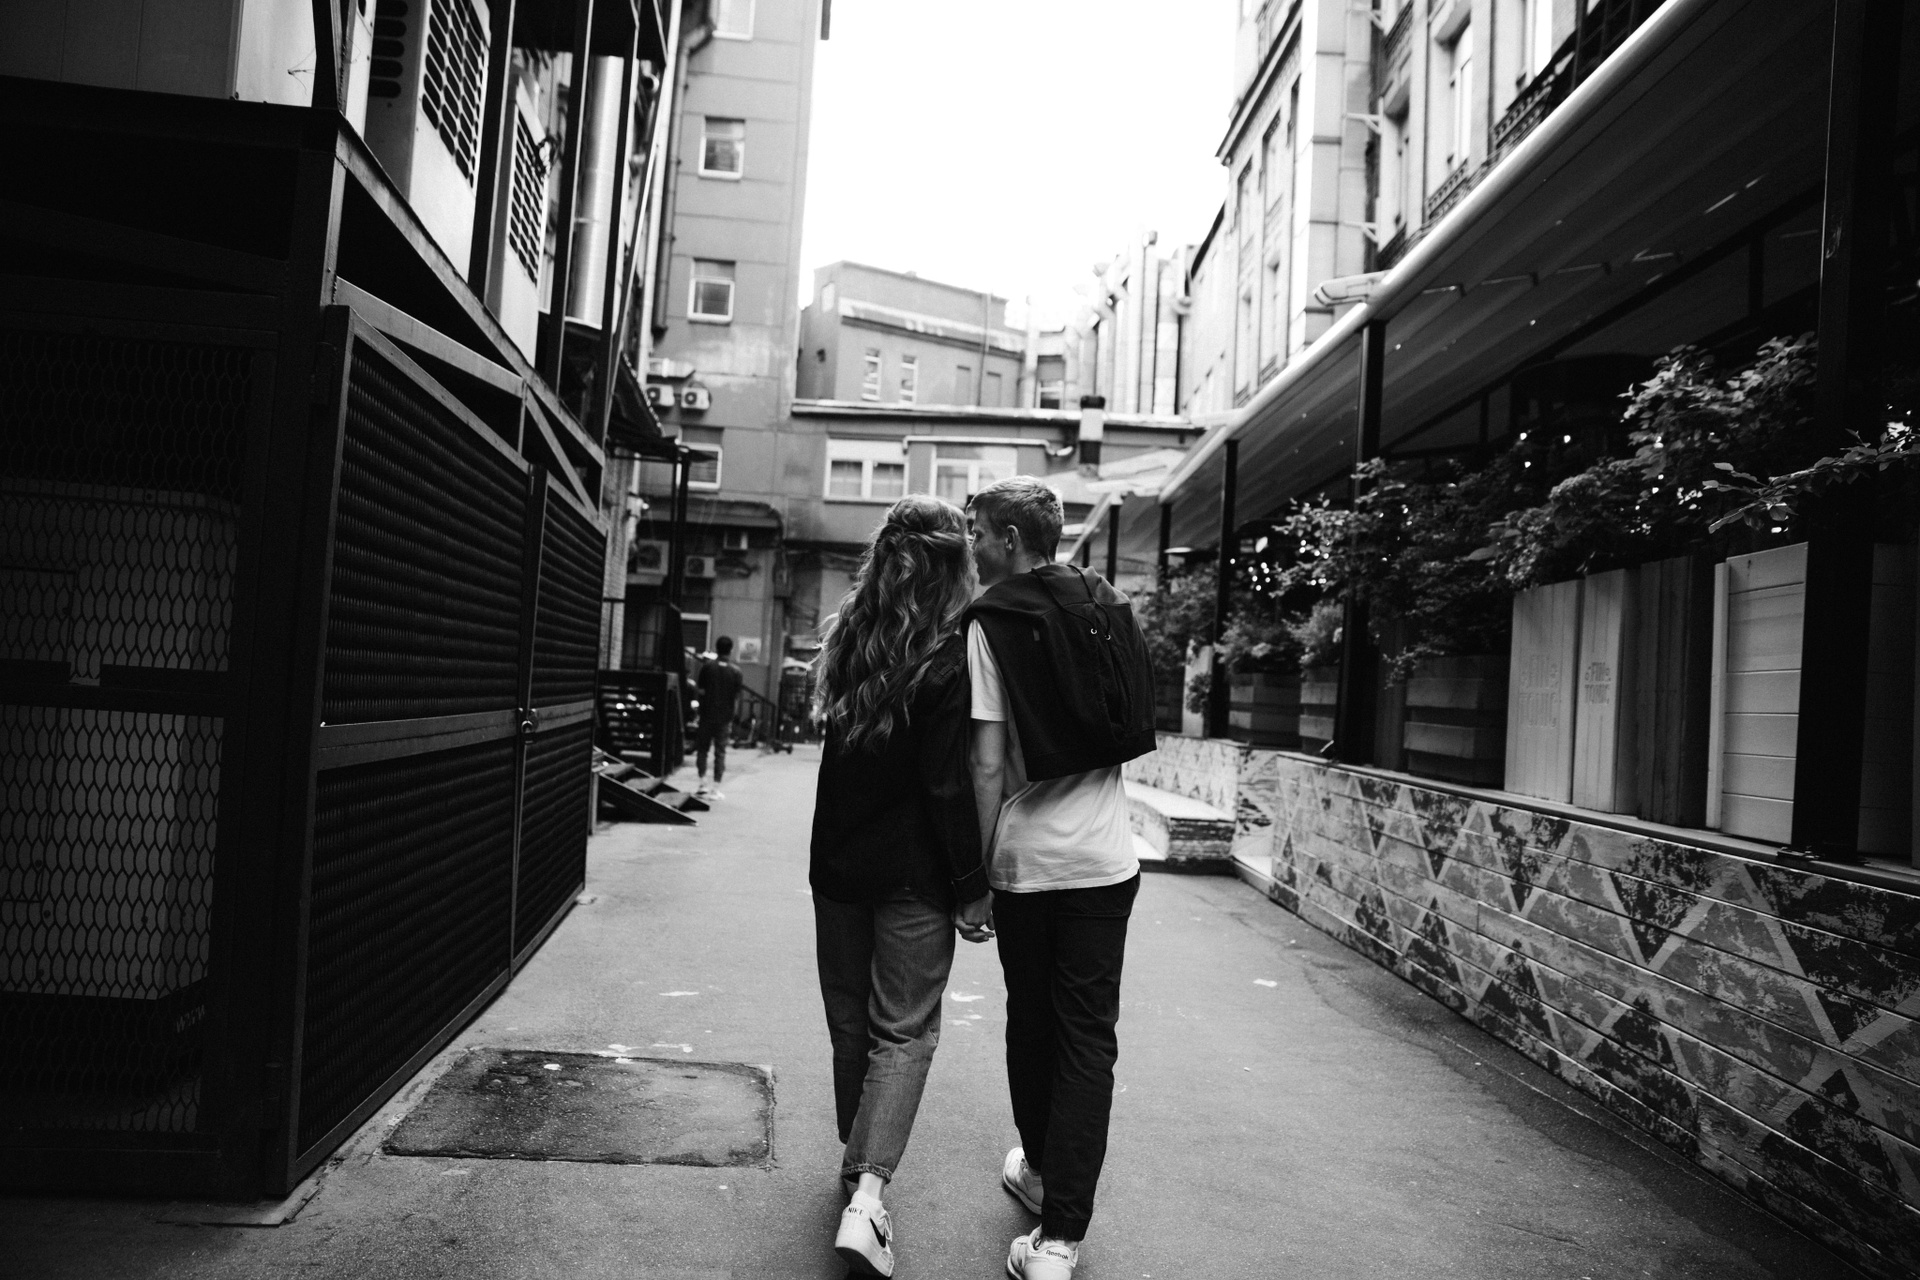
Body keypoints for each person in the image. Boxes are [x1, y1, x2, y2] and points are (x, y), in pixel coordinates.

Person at [958, 476, 1156, 1280]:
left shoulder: (993, 621)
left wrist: (975, 877)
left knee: (1033, 1026)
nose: (972, 545)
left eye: (977, 530)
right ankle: (1059, 1240)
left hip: (1028, 865)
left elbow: (986, 763)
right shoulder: (1108, 608)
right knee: (1088, 1042)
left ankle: (1040, 1172)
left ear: (1009, 538)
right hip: (1106, 861)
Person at [809, 495, 993, 1278]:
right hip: (915, 875)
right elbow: (948, 787)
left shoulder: (851, 637)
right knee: (905, 1031)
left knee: (851, 1020)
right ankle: (869, 1195)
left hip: (838, 864)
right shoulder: (952, 656)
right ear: (956, 565)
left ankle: (857, 1167)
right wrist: (973, 885)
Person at [694, 635, 744, 798]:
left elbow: (701, 691)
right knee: (720, 752)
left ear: (716, 648)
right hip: (724, 718)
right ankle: (715, 788)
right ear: (731, 650)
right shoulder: (736, 672)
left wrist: (700, 710)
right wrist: (732, 716)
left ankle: (702, 783)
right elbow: (736, 697)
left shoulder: (707, 668)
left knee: (702, 750)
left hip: (706, 715)